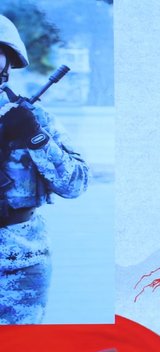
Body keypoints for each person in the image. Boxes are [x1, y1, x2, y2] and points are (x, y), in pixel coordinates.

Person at [0, 15, 89, 324]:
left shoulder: (33, 117)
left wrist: (36, 138)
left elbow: (75, 184)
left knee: (22, 348)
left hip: (20, 262)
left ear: (8, 61)